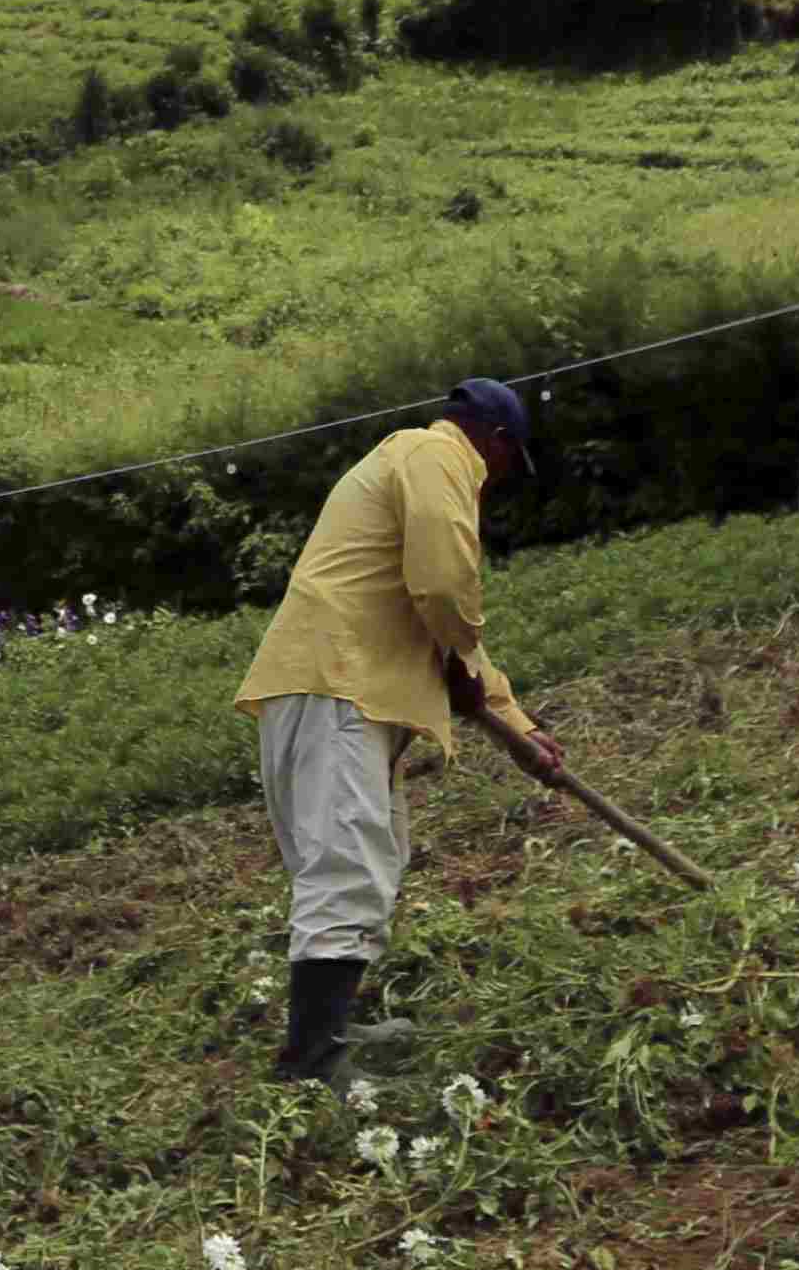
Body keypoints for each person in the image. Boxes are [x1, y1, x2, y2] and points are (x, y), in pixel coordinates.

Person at [234, 373, 566, 1085]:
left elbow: (459, 650)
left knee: (366, 859)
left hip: (347, 691)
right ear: (497, 441)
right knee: (346, 864)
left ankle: (331, 1030)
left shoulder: (411, 468)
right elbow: (446, 594)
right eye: (508, 465)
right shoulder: (435, 454)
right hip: (336, 687)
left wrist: (521, 730)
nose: (497, 482)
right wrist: (464, 665)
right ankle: (311, 1060)